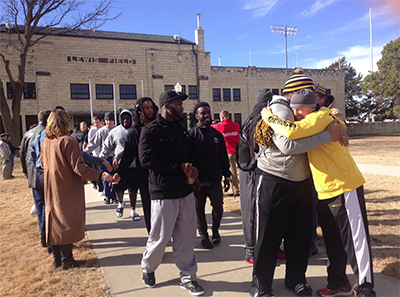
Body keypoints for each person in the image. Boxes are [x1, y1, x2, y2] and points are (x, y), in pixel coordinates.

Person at [261, 88, 376, 297]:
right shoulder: (319, 120)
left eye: (299, 110)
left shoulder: (320, 117)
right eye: (293, 109)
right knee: (334, 241)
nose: (295, 113)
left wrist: (267, 115)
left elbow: (291, 132)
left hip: (344, 186)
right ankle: (338, 282)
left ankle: (366, 287)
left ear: (311, 107)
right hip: (325, 190)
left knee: (355, 239)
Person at [250, 73, 345, 297]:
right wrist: (328, 136)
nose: (312, 97)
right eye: (307, 91)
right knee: (267, 237)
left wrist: (340, 128)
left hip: (301, 182)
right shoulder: (281, 108)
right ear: (293, 93)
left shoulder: (306, 110)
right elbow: (287, 146)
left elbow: (328, 121)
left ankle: (296, 279)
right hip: (275, 179)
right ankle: (261, 286)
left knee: (300, 237)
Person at [139, 89, 204, 296]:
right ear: (167, 106)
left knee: (186, 237)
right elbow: (146, 160)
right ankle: (147, 268)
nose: (182, 107)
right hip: (163, 193)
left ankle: (188, 277)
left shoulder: (180, 129)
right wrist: (178, 167)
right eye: (178, 104)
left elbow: (189, 154)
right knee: (160, 238)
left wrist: (193, 172)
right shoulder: (151, 131)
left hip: (185, 191)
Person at [40, 108, 113, 270]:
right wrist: (100, 175)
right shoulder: (68, 141)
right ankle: (67, 260)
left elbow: (43, 164)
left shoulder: (46, 141)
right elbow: (79, 167)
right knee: (66, 220)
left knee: (54, 220)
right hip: (66, 186)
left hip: (51, 185)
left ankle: (58, 259)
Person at [188, 102, 231, 250]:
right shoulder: (191, 135)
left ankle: (215, 230)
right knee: (198, 210)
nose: (206, 115)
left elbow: (223, 158)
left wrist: (227, 175)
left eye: (208, 112)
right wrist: (192, 179)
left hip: (214, 180)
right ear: (197, 116)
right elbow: (188, 159)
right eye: (203, 113)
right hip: (198, 182)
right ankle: (204, 236)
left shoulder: (217, 135)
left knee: (218, 208)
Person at [113, 97, 158, 233]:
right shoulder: (134, 131)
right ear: (139, 111)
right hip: (144, 175)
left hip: (163, 173)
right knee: (148, 206)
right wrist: (119, 172)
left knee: (164, 207)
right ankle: (153, 235)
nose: (150, 110)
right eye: (146, 108)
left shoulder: (160, 126)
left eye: (151, 107)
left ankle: (168, 233)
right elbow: (128, 155)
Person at [238, 89, 272, 264]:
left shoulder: (253, 118)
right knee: (251, 210)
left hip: (254, 171)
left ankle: (264, 247)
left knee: (263, 211)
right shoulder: (256, 120)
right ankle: (250, 250)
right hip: (250, 172)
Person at [20, 109, 51, 248]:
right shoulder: (48, 134)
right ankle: (46, 234)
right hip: (44, 174)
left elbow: (23, 155)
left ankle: (41, 231)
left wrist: (25, 171)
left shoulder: (27, 134)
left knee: (39, 205)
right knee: (48, 205)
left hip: (33, 175)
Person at [99, 109, 136, 218]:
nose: (125, 120)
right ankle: (120, 204)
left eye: (127, 118)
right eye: (123, 118)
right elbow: (106, 147)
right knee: (119, 188)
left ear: (131, 119)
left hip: (134, 165)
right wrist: (100, 160)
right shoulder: (115, 131)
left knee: (133, 189)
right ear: (120, 119)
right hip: (119, 166)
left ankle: (133, 210)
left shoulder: (135, 131)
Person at [85, 111, 116, 203]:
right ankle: (107, 195)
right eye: (106, 120)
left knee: (114, 177)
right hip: (104, 158)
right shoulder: (101, 131)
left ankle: (114, 196)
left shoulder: (117, 130)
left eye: (110, 120)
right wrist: (84, 153)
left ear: (114, 121)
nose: (108, 122)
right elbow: (93, 144)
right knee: (105, 178)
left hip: (115, 158)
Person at [212, 110, 240, 196]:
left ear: (222, 117)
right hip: (238, 150)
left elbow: (211, 127)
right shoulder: (236, 125)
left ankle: (236, 190)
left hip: (229, 152)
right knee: (240, 171)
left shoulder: (219, 126)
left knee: (232, 171)